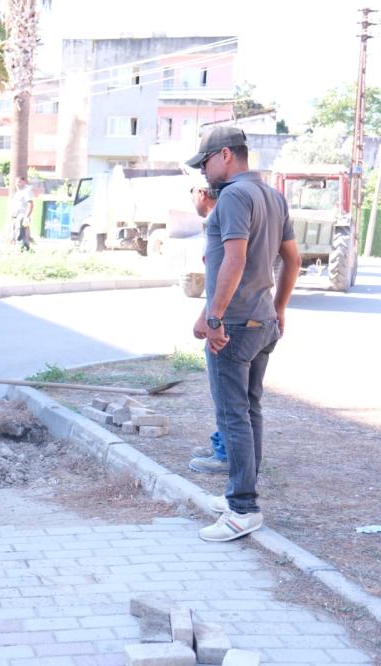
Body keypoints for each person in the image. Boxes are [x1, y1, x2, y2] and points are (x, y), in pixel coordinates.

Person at [185, 126, 300, 542]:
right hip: (261, 320)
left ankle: (242, 509)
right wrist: (280, 307)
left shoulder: (233, 195)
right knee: (250, 412)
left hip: (234, 326)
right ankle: (240, 493)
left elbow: (234, 260)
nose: (204, 171)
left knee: (234, 415)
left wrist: (213, 318)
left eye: (206, 162)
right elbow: (293, 260)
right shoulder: (272, 195)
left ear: (227, 155)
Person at [186, 183, 230, 475]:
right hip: (227, 315)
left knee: (227, 395)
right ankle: (221, 445)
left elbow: (227, 273)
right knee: (227, 394)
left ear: (201, 194)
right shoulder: (225, 218)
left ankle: (226, 454)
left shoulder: (222, 220)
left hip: (227, 320)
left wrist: (211, 317)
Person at [11, 176, 34, 251]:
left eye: (19, 182)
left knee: (20, 233)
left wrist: (26, 217)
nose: (17, 184)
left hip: (22, 216)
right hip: (16, 216)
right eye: (16, 182)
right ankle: (25, 249)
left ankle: (24, 248)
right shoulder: (18, 192)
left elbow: (30, 204)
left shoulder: (26, 191)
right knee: (18, 233)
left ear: (24, 182)